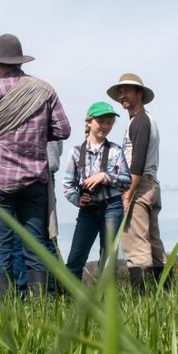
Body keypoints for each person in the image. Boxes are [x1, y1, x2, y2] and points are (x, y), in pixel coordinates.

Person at [0, 34, 70, 295]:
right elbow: (63, 130)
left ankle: (6, 310)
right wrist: (35, 136)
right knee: (36, 244)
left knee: (0, 246)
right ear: (20, 62)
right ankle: (40, 308)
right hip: (34, 177)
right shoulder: (45, 90)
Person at [107, 73, 165, 292]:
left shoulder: (140, 121)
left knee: (135, 244)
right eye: (120, 91)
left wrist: (127, 193)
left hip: (138, 185)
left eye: (127, 90)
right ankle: (163, 293)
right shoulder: (144, 119)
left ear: (139, 94)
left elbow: (137, 161)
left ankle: (144, 300)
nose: (122, 95)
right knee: (153, 241)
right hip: (151, 184)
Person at [62, 102, 131, 281]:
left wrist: (104, 177)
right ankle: (70, 301)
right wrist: (78, 199)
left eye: (109, 123)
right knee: (75, 259)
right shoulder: (76, 152)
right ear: (89, 122)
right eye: (101, 121)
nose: (106, 126)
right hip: (88, 210)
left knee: (108, 260)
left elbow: (126, 181)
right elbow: (68, 185)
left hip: (113, 207)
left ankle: (106, 303)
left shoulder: (116, 151)